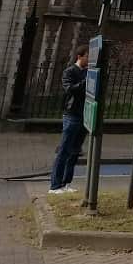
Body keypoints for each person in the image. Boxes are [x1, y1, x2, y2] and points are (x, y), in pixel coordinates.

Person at [49, 45, 89, 194]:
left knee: (75, 151)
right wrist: (87, 81)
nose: (89, 60)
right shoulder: (69, 71)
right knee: (64, 150)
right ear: (80, 56)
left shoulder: (88, 72)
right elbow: (70, 89)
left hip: (84, 114)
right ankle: (55, 186)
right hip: (72, 114)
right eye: (87, 56)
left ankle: (66, 183)